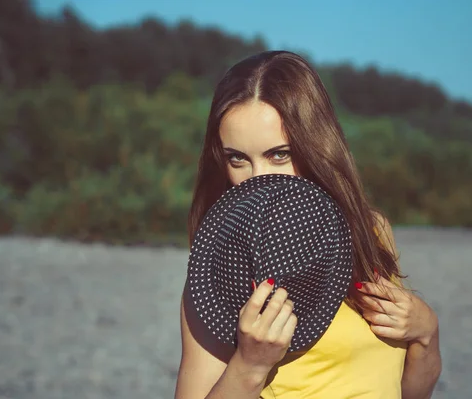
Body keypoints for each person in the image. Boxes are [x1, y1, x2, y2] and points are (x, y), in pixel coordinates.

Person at [175, 50, 441, 399]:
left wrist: (426, 332)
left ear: (317, 146)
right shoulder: (219, 274)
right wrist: (251, 366)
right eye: (238, 159)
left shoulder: (372, 231)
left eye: (278, 155)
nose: (259, 180)